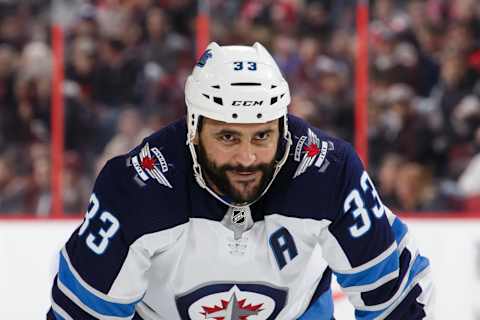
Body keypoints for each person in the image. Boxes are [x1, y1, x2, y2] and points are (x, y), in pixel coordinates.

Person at [47, 42, 433, 320]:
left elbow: (395, 297)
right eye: (228, 137)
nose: (247, 158)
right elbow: (82, 313)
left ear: (282, 128)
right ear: (194, 130)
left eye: (261, 136)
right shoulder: (138, 186)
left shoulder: (327, 170)